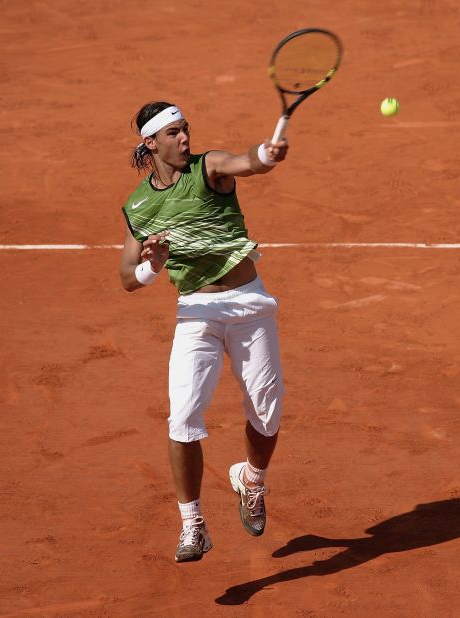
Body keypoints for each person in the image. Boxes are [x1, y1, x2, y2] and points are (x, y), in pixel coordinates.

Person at [118, 101, 288, 562]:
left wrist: (267, 155)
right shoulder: (139, 205)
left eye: (185, 130)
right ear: (151, 143)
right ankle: (193, 524)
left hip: (249, 305)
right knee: (184, 418)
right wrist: (153, 267)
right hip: (196, 313)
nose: (184, 139)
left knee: (267, 413)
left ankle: (251, 479)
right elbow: (127, 277)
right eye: (173, 133)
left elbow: (246, 162)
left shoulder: (208, 167)